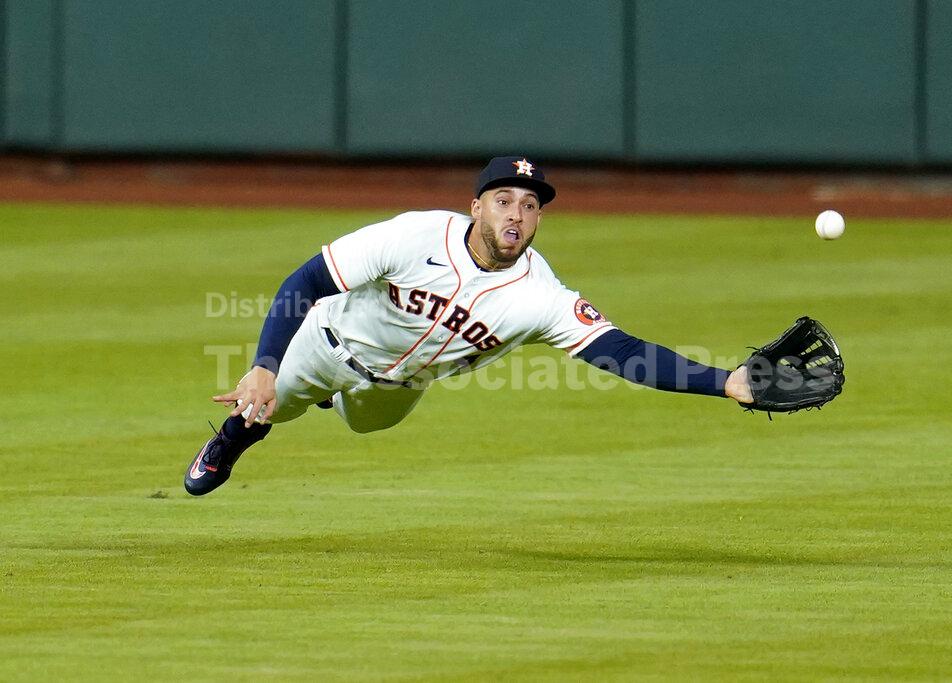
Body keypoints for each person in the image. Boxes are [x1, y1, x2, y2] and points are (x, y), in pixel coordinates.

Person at [185, 156, 753, 496]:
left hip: (399, 388)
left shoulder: (540, 295)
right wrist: (264, 365)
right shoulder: (413, 235)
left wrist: (725, 382)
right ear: (475, 207)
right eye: (503, 200)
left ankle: (332, 402)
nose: (516, 214)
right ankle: (228, 443)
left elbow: (621, 351)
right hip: (327, 342)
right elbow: (304, 283)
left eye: (530, 205)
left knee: (364, 425)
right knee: (267, 405)